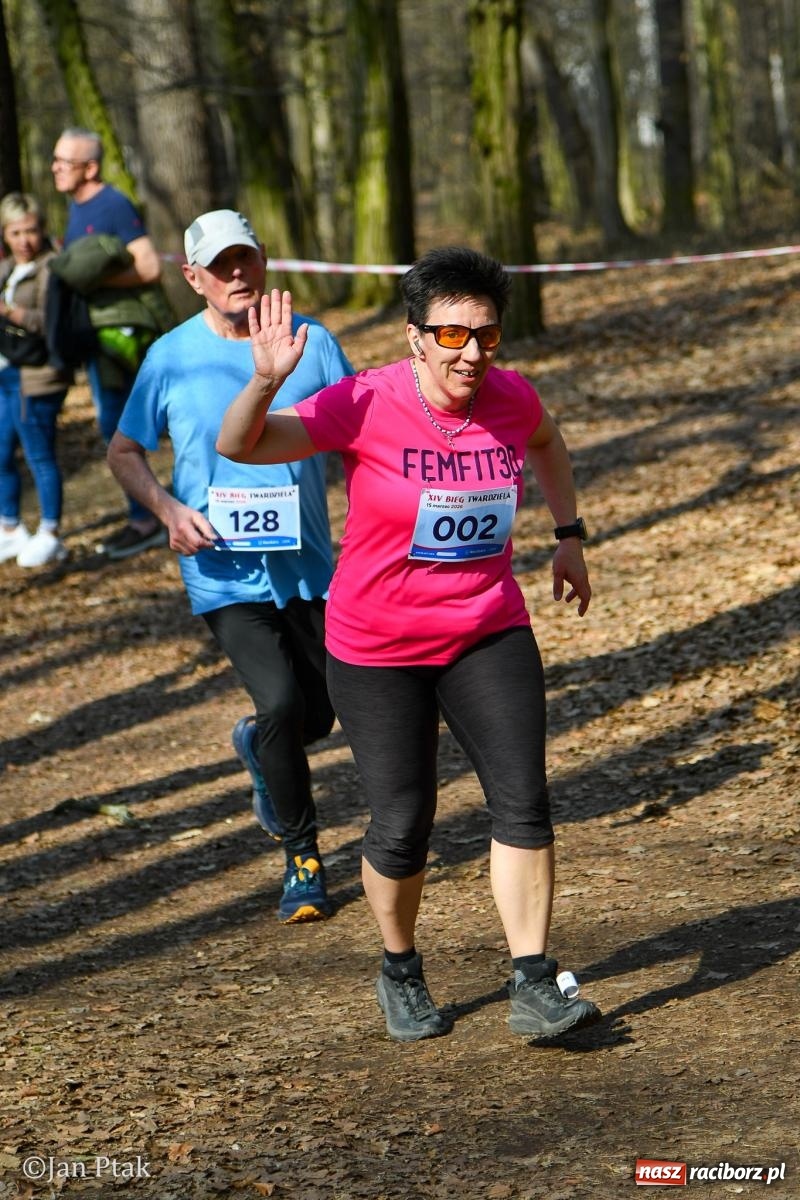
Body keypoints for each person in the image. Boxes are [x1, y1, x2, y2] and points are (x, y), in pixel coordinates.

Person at [216, 246, 602, 1042]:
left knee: (523, 800)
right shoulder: (364, 401)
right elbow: (241, 446)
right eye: (453, 336)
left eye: (487, 337)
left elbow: (550, 442)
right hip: (376, 645)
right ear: (416, 338)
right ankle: (399, 965)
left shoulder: (511, 398)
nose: (472, 355)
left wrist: (568, 535)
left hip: (486, 628)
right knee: (403, 819)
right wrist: (264, 381)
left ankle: (533, 981)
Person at [107, 209, 353, 922]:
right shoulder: (171, 356)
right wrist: (168, 511)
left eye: (245, 259)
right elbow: (125, 451)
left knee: (317, 715)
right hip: (221, 571)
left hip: (308, 566)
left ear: (264, 261)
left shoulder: (315, 344)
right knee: (278, 701)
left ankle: (256, 745)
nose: (236, 274)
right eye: (220, 266)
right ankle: (303, 860)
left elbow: (362, 434)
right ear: (193, 279)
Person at [52, 126, 166, 559]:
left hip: (122, 336)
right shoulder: (76, 206)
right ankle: (142, 514)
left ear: (91, 167)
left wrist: (96, 280)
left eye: (65, 162)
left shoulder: (112, 204)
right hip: (98, 337)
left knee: (122, 427)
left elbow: (150, 266)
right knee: (114, 426)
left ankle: (147, 519)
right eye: (56, 160)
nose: (55, 168)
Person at [0, 192, 72, 567]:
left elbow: (49, 322)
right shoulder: (8, 268)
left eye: (30, 231)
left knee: (39, 454)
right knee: (1, 452)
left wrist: (10, 312)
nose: (24, 240)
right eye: (15, 232)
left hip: (39, 376)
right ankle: (10, 528)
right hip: (8, 373)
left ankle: (50, 532)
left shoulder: (50, 268)